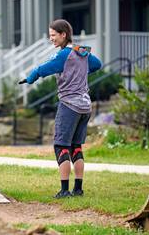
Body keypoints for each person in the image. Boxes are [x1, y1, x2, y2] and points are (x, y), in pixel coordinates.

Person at [19, 19, 102, 198]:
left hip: (69, 105)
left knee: (61, 146)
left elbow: (43, 69)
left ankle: (64, 191)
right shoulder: (81, 52)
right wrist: (80, 72)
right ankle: (78, 189)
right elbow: (97, 65)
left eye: (53, 35)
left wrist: (30, 78)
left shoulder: (63, 55)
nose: (51, 39)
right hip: (85, 106)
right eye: (50, 36)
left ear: (63, 34)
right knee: (76, 146)